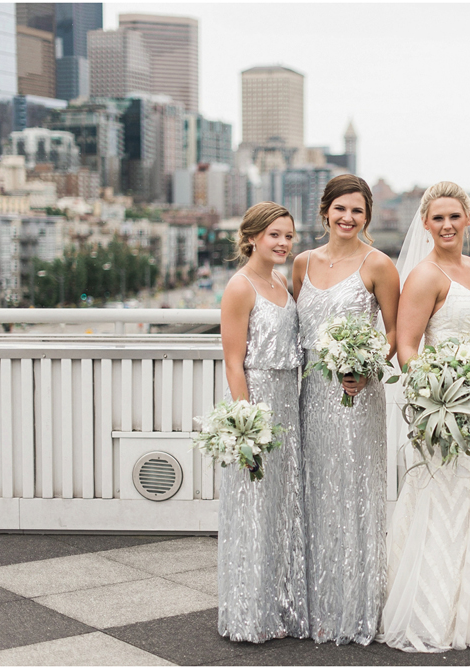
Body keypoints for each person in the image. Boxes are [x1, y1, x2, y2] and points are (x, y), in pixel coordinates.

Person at [379, 181, 470, 653]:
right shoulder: (424, 275)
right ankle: (432, 609)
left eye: (454, 216)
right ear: (425, 224)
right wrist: (438, 395)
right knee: (440, 495)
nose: (447, 225)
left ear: (469, 219)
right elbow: (409, 348)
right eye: (437, 218)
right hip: (442, 409)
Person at [292, 174, 400, 645]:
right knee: (315, 492)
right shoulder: (301, 264)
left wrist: (368, 366)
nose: (348, 218)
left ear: (367, 216)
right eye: (340, 209)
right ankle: (316, 603)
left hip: (358, 396)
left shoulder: (379, 265)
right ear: (325, 211)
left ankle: (357, 605)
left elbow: (396, 334)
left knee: (354, 494)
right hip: (313, 394)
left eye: (357, 211)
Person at [217, 202, 308, 643]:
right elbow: (234, 363)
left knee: (282, 507)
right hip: (258, 401)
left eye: (289, 236)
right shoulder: (240, 287)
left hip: (288, 402)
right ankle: (249, 614)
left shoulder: (280, 283)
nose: (283, 243)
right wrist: (248, 425)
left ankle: (281, 607)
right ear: (251, 236)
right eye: (274, 235)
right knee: (254, 509)